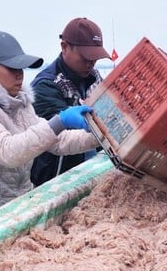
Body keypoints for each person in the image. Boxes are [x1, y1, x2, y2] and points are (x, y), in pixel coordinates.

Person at [0, 30, 99, 232]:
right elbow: (8, 152)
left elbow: (58, 142)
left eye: (22, 68)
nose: (19, 75)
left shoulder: (20, 103)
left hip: (14, 211)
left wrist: (98, 134)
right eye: (12, 68)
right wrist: (60, 120)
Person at [30, 17, 111, 186]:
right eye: (85, 57)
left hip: (91, 169)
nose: (90, 63)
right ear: (64, 47)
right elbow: (62, 140)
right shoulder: (45, 86)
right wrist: (108, 131)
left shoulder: (94, 77)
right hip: (56, 180)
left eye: (94, 58)